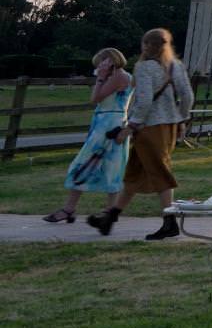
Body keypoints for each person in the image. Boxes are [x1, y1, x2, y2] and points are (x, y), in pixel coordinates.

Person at [89, 28, 194, 240]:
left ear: (145, 46)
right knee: (134, 174)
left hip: (150, 127)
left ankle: (169, 221)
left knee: (160, 173)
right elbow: (187, 95)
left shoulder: (144, 67)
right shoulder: (176, 65)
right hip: (169, 125)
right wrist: (180, 118)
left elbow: (144, 101)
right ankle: (110, 217)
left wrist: (131, 126)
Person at [46, 49, 132, 224]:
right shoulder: (120, 76)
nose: (99, 67)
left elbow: (96, 98)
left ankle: (76, 209)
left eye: (101, 63)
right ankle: (82, 209)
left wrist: (100, 77)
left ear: (110, 62)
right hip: (107, 121)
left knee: (88, 164)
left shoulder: (119, 77)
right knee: (108, 166)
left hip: (109, 124)